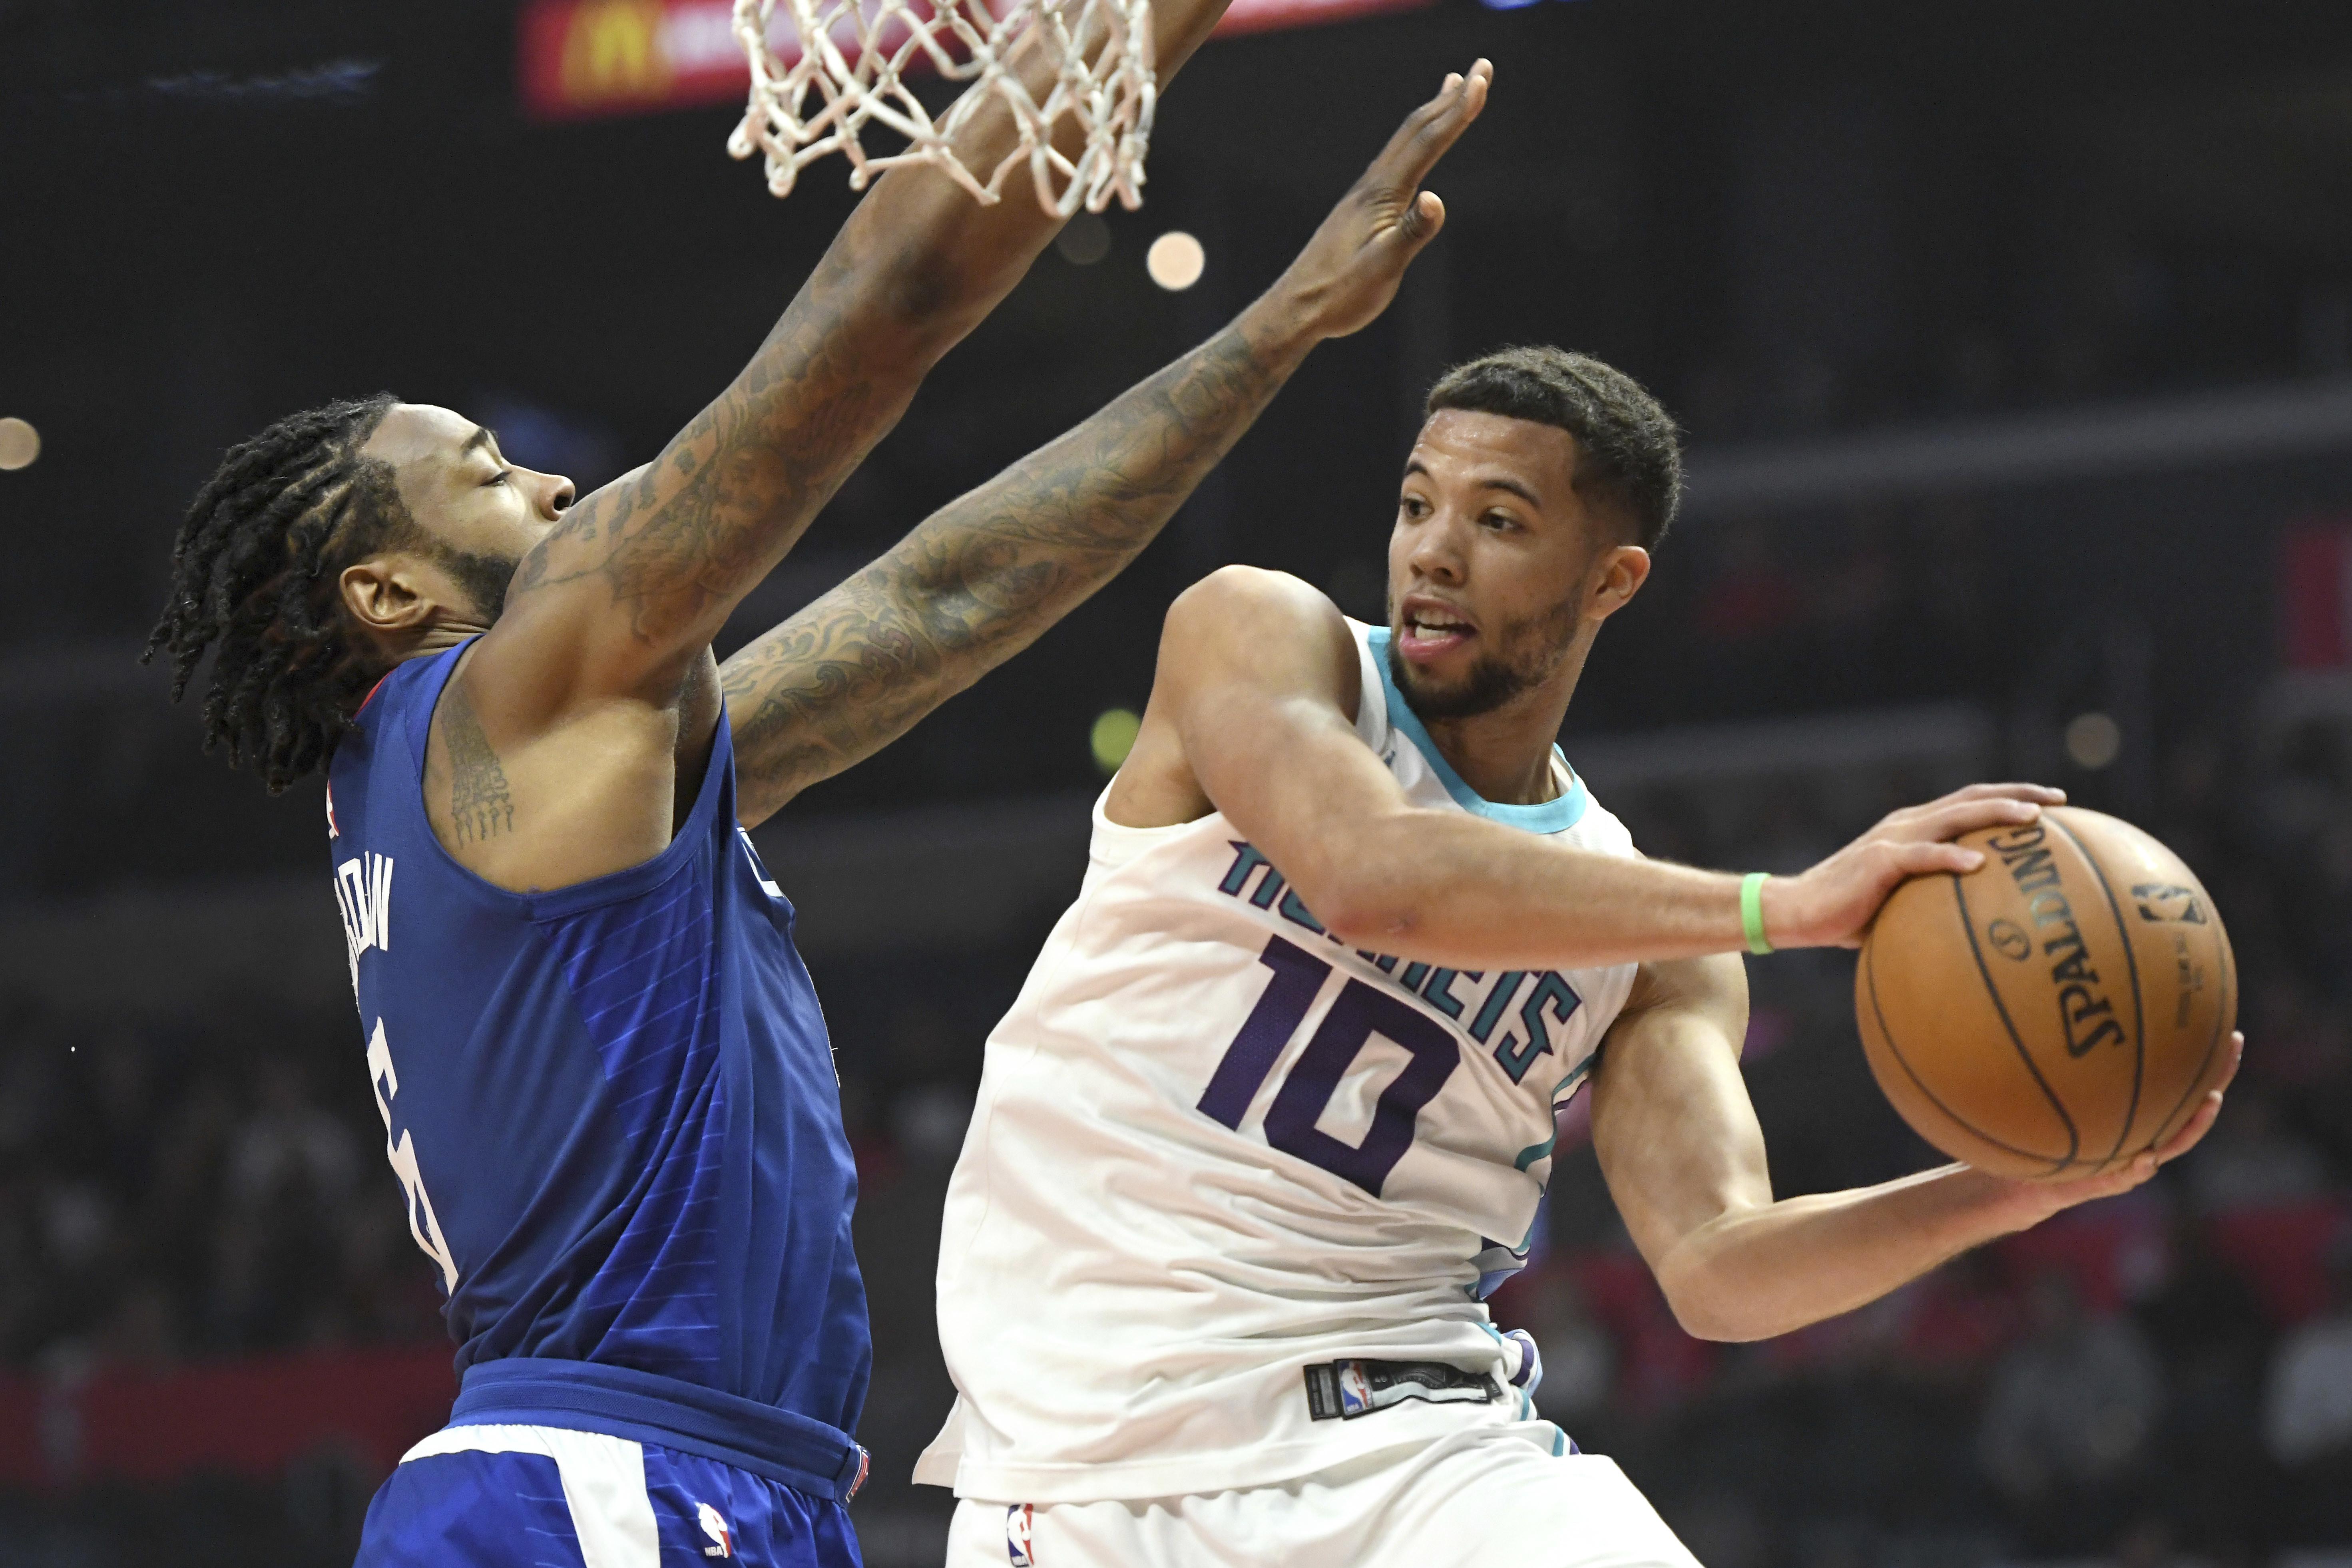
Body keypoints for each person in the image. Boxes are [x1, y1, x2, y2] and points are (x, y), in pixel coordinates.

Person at [140, 19, 1499, 1562]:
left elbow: (947, 599)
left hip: (684, 1480)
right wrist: (1130, 33)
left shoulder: (531, 774)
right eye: (486, 470)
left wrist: (1280, 328)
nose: (555, 488)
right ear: (386, 591)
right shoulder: (519, 693)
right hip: (615, 1485)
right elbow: (881, 309)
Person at [917, 343, 2246, 1565]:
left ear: (1611, 578)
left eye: (1498, 521)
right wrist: (1785, 904)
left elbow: (1721, 1267)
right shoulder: (1262, 638)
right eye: (1418, 504)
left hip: (1422, 1452)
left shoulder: (1648, 939)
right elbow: (1374, 878)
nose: (1434, 552)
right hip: (1108, 1472)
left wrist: (2011, 1185)